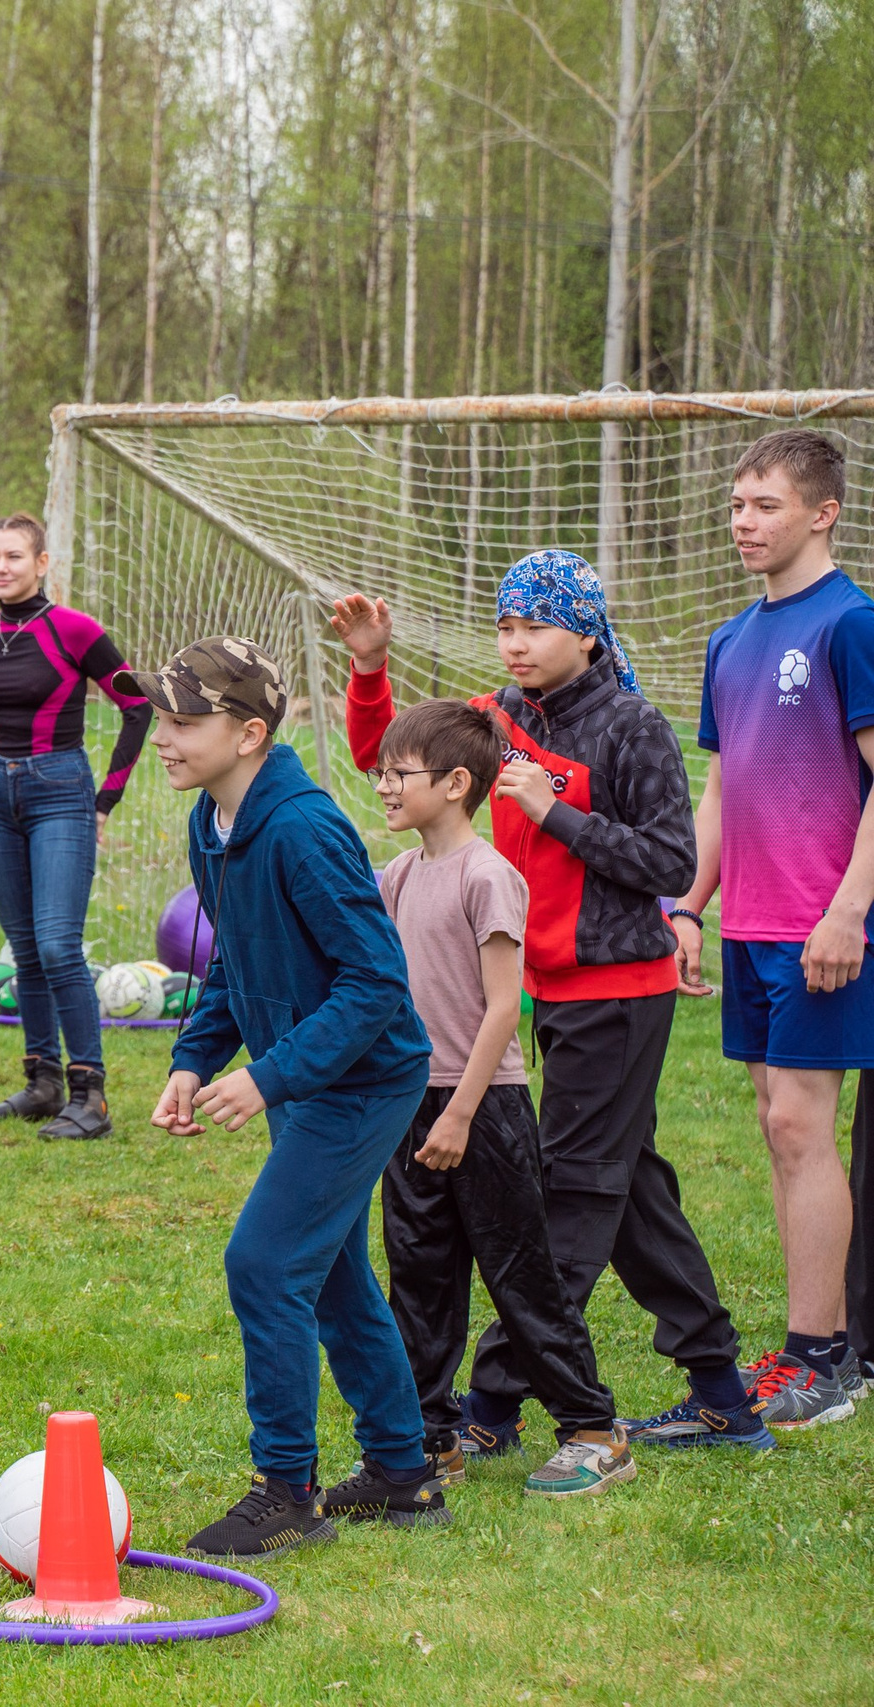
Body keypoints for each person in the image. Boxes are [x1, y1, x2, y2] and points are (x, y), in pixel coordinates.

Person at [333, 555, 761, 1451]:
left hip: (618, 996)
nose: (516, 643)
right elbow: (399, 761)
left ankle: (491, 1403)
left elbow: (673, 865)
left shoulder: (631, 726)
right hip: (541, 994)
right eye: (505, 626)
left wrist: (557, 810)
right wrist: (371, 670)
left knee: (564, 1201)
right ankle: (723, 1389)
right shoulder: (501, 716)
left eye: (535, 626)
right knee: (630, 1194)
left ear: (587, 631)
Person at [140, 637, 446, 1559]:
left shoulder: (306, 829)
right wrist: (194, 1059)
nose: (163, 735)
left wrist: (267, 1074)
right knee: (335, 1276)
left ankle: (285, 1489)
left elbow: (374, 984)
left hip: (361, 1080)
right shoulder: (211, 822)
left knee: (265, 1265)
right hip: (303, 1077)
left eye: (185, 721)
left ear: (250, 733)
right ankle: (401, 1473)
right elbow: (233, 957)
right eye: (162, 716)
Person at [374, 698, 633, 1498]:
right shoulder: (397, 874)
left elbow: (500, 1007)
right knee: (418, 1279)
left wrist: (459, 1111)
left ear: (456, 783)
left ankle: (593, 1427)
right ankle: (430, 1438)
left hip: (482, 1108)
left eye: (398, 773)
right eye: (381, 771)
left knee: (520, 1275)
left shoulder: (490, 877)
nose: (383, 785)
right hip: (411, 1105)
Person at [671, 429, 874, 1424]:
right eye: (736, 505)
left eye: (764, 506)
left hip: (822, 927)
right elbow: (719, 785)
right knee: (777, 1129)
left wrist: (848, 910)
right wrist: (688, 905)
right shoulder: (727, 639)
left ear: (821, 513)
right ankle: (809, 1343)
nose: (742, 523)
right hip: (750, 922)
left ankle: (823, 1359)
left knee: (801, 1126)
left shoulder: (851, 625)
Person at [0, 510, 151, 1140]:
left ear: (42, 563)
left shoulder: (76, 630)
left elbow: (136, 705)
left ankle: (90, 1096)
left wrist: (105, 800)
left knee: (56, 944)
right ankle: (42, 1084)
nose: (1, 568)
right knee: (23, 950)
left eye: (14, 556)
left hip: (60, 793)